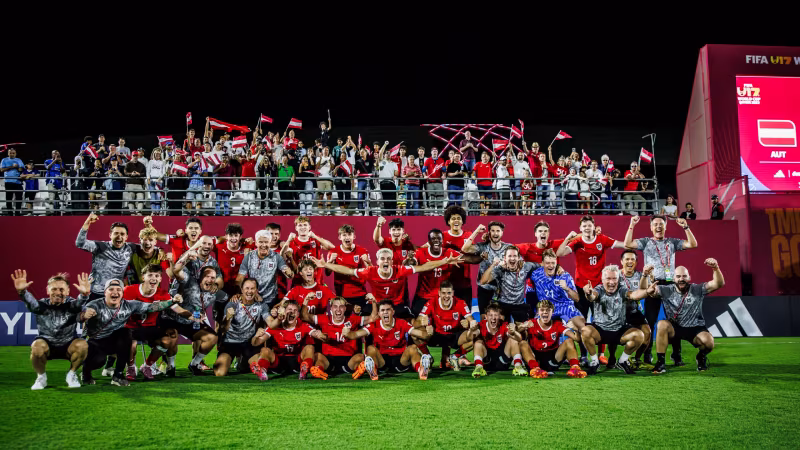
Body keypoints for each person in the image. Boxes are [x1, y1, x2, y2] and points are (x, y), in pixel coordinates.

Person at [624, 214, 697, 364]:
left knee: (675, 320)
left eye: (661, 224)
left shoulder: (672, 242)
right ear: (651, 227)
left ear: (665, 226)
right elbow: (628, 243)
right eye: (655, 224)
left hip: (671, 285)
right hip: (653, 285)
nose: (658, 226)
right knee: (650, 321)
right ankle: (646, 355)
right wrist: (632, 224)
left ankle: (676, 355)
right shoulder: (646, 242)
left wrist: (685, 227)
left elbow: (692, 244)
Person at [81, 279, 182, 386]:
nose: (115, 292)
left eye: (118, 289)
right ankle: (86, 373)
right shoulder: (95, 304)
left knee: (125, 334)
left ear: (122, 293)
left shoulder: (129, 305)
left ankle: (118, 376)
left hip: (114, 341)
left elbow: (152, 307)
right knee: (98, 362)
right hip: (97, 342)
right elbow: (81, 316)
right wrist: (84, 315)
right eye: (111, 289)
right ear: (105, 292)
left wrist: (172, 301)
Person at [311, 248, 462, 320]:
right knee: (360, 319)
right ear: (377, 261)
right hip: (378, 306)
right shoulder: (370, 271)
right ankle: (367, 354)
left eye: (388, 259)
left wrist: (444, 261)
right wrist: (325, 265)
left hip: (397, 305)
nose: (385, 261)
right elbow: (348, 271)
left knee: (416, 323)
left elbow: (423, 267)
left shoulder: (400, 270)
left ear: (391, 261)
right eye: (382, 259)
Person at [556, 215, 627, 363]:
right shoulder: (577, 242)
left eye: (589, 225)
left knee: (604, 322)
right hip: (581, 288)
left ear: (594, 226)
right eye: (584, 226)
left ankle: (604, 355)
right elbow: (559, 253)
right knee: (581, 323)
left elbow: (623, 244)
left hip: (600, 289)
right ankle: (583, 355)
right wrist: (569, 237)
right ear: (580, 229)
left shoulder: (602, 239)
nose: (587, 228)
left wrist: (634, 242)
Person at [12, 270, 91, 389]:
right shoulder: (42, 305)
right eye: (54, 289)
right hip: (47, 345)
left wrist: (84, 295)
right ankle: (41, 377)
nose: (58, 292)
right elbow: (31, 303)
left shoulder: (72, 305)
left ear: (68, 291)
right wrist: (22, 292)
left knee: (83, 345)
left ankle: (71, 374)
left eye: (61, 289)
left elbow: (79, 304)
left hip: (69, 345)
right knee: (36, 346)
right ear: (48, 290)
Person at [650, 258, 725, 373]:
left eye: (684, 276)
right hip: (675, 328)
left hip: (695, 328)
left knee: (709, 342)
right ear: (673, 278)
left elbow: (719, 284)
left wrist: (715, 268)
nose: (681, 279)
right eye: (678, 276)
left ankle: (701, 357)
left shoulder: (697, 289)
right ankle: (660, 363)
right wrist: (647, 277)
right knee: (662, 324)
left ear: (689, 278)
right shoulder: (666, 290)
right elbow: (649, 291)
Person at [580, 265, 650, 375]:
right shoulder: (599, 289)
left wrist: (647, 291)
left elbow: (634, 295)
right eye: (608, 279)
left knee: (640, 335)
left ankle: (622, 361)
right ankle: (594, 361)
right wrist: (588, 293)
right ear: (602, 280)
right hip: (600, 331)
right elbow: (592, 296)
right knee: (585, 331)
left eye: (614, 279)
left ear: (618, 279)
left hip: (619, 331)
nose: (611, 282)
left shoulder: (622, 290)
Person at [341, 299, 434, 380]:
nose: (385, 312)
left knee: (413, 348)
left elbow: (421, 335)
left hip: (400, 360)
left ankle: (421, 370)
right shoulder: (374, 325)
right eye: (382, 310)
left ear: (393, 312)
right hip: (382, 362)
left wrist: (429, 332)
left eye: (388, 310)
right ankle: (373, 371)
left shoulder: (401, 323)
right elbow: (355, 334)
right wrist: (347, 333)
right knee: (370, 349)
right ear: (379, 313)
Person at [165, 259, 223, 376]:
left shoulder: (213, 292)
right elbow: (176, 271)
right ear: (200, 277)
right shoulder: (189, 282)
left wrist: (238, 298)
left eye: (213, 278)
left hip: (191, 321)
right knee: (172, 336)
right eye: (207, 276)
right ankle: (170, 366)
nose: (210, 280)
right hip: (172, 318)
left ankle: (194, 364)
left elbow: (228, 298)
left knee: (212, 338)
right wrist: (188, 254)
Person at [300, 296, 379, 380]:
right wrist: (306, 300)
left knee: (360, 357)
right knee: (318, 356)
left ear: (345, 308)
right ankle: (318, 369)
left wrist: (374, 301)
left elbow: (373, 318)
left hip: (348, 359)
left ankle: (358, 370)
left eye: (341, 306)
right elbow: (305, 316)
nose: (338, 309)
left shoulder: (352, 319)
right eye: (335, 306)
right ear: (331, 309)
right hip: (328, 358)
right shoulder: (324, 319)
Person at [122, 265, 176, 381]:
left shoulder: (163, 294)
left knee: (167, 341)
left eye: (157, 276)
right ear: (143, 277)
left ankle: (147, 366)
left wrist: (192, 316)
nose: (154, 278)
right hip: (131, 327)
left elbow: (177, 309)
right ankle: (131, 367)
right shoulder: (128, 290)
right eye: (150, 275)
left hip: (150, 327)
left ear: (161, 279)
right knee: (130, 344)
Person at [251, 300, 326, 380]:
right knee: (265, 350)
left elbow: (317, 335)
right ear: (283, 312)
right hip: (278, 362)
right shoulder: (275, 326)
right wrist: (256, 336)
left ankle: (304, 369)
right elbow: (255, 343)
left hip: (297, 361)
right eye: (289, 310)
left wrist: (321, 335)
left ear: (298, 314)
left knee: (310, 347)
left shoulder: (303, 326)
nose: (292, 312)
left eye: (295, 310)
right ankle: (262, 371)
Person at [409, 229, 473, 316]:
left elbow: (469, 259)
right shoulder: (421, 252)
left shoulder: (449, 252)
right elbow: (411, 263)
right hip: (423, 296)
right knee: (415, 321)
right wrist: (410, 260)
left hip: (443, 296)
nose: (436, 241)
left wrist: (482, 256)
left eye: (439, 238)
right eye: (433, 238)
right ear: (429, 241)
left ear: (442, 240)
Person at [214, 278, 269, 377]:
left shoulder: (261, 305)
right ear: (242, 290)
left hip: (248, 343)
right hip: (230, 342)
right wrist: (227, 318)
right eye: (247, 288)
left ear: (257, 290)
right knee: (219, 373)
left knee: (259, 367)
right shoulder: (232, 303)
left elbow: (270, 323)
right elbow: (223, 329)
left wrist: (279, 316)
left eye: (252, 288)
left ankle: (243, 362)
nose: (249, 291)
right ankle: (235, 360)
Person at [75, 214, 139, 300]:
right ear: (110, 235)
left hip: (115, 295)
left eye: (122, 234)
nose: (119, 236)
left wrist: (160, 250)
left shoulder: (130, 248)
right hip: (95, 293)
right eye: (116, 233)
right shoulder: (101, 247)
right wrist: (87, 222)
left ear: (126, 237)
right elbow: (80, 243)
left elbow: (149, 246)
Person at [517, 300, 587, 378]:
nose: (545, 312)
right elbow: (515, 333)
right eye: (542, 310)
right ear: (538, 312)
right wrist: (522, 326)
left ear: (552, 312)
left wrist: (576, 329)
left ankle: (575, 368)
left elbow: (576, 339)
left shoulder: (557, 324)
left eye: (548, 310)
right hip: (535, 358)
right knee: (522, 343)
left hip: (553, 360)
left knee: (569, 341)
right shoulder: (531, 323)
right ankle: (535, 369)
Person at [416, 282, 477, 371]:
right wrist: (423, 323)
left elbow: (473, 322)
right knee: (415, 333)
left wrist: (469, 324)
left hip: (454, 336)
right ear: (439, 293)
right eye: (443, 293)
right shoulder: (431, 302)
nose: (446, 296)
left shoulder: (460, 303)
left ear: (453, 293)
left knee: (476, 334)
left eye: (449, 293)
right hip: (436, 335)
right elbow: (416, 322)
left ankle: (455, 356)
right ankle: (428, 357)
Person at [479, 246, 543, 322]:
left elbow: (542, 265)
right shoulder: (500, 269)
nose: (512, 258)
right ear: (505, 258)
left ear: (519, 257)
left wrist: (557, 267)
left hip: (519, 305)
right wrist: (493, 265)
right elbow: (483, 281)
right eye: (509, 256)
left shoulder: (526, 266)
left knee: (523, 330)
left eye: (515, 256)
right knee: (502, 329)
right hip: (502, 304)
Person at [462, 222, 511, 317]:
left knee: (503, 319)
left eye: (498, 231)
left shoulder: (508, 248)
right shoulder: (483, 246)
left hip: (503, 290)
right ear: (489, 233)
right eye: (493, 231)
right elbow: (465, 249)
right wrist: (476, 231)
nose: (495, 233)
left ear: (502, 233)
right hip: (484, 290)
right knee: (483, 318)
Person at [237, 230, 294, 308]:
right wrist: (244, 293)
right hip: (252, 299)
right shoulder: (249, 256)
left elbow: (288, 273)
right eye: (260, 242)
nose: (263, 245)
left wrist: (289, 273)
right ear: (256, 243)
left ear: (270, 243)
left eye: (266, 242)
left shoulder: (276, 257)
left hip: (271, 301)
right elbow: (240, 278)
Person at [618, 251, 654, 368]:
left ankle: (637, 359)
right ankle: (612, 359)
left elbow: (645, 291)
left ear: (636, 262)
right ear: (621, 261)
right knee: (613, 334)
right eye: (627, 259)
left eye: (632, 259)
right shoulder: (616, 275)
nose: (630, 262)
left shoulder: (640, 275)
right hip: (618, 311)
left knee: (647, 332)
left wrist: (648, 277)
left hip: (634, 311)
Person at [469, 303, 525, 378]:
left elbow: (519, 339)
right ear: (486, 316)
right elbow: (469, 338)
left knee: (513, 339)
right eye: (490, 315)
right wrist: (471, 330)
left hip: (502, 361)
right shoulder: (481, 325)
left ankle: (518, 366)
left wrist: (514, 331)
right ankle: (478, 367)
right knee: (478, 342)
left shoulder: (504, 325)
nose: (493, 318)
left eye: (496, 315)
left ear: (500, 317)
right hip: (487, 362)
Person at [326, 224, 371, 314]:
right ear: (339, 237)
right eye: (344, 235)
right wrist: (330, 261)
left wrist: (369, 263)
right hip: (342, 296)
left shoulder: (362, 251)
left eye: (349, 234)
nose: (347, 237)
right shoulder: (333, 252)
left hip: (360, 294)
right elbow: (327, 273)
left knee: (363, 321)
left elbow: (371, 272)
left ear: (354, 236)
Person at [282, 216, 336, 287]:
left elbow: (332, 247)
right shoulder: (292, 242)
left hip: (317, 281)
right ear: (296, 228)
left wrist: (316, 237)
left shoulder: (315, 239)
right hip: (299, 283)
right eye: (300, 225)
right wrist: (288, 240)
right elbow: (282, 255)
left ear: (309, 227)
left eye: (305, 225)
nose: (303, 227)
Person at [373, 217, 416, 305]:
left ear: (403, 231)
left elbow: (410, 264)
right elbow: (377, 239)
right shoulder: (385, 242)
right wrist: (378, 225)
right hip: (386, 282)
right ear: (389, 231)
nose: (396, 232)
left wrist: (409, 259)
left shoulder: (407, 244)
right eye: (394, 229)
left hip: (401, 286)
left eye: (399, 229)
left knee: (403, 313)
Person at [441, 205, 474, 304]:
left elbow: (473, 252)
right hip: (447, 283)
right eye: (453, 218)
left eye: (459, 218)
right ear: (448, 221)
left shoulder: (468, 235)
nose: (456, 221)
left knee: (466, 316)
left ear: (462, 221)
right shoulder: (442, 236)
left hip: (465, 283)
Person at [1, 147, 25, 215]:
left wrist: (17, 167)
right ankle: (10, 213)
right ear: (8, 153)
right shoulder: (4, 160)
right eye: (10, 153)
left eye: (13, 153)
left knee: (19, 198)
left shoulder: (19, 160)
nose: (12, 154)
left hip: (18, 181)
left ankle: (17, 213)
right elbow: (2, 170)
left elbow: (21, 169)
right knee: (9, 198)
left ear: (15, 154)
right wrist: (12, 167)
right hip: (8, 181)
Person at [376, 150, 399, 216]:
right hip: (383, 183)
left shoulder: (394, 164)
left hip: (391, 182)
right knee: (386, 199)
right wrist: (385, 144)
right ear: (384, 155)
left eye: (389, 153)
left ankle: (393, 213)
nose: (388, 154)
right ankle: (387, 213)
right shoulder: (380, 162)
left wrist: (395, 175)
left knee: (393, 198)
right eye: (386, 153)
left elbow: (396, 172)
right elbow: (379, 154)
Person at [44, 150, 65, 214]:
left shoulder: (60, 162)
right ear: (52, 154)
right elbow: (47, 167)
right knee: (51, 197)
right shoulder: (47, 161)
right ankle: (51, 212)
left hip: (59, 182)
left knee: (60, 198)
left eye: (57, 154)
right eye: (54, 154)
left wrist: (61, 163)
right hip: (51, 181)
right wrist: (54, 161)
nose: (56, 155)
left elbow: (63, 171)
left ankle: (60, 213)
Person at [146, 148, 166, 214]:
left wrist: (160, 178)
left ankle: (157, 211)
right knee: (152, 196)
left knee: (158, 196)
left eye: (159, 154)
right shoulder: (150, 161)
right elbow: (148, 170)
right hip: (151, 181)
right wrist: (148, 178)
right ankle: (153, 211)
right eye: (156, 154)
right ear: (154, 154)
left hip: (159, 182)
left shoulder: (162, 162)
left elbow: (164, 172)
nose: (157, 155)